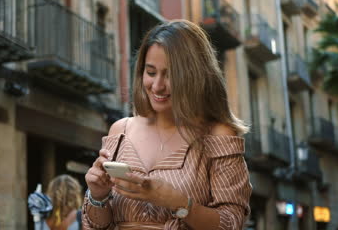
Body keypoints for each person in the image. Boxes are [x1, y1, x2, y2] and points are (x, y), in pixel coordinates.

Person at [82, 20, 252, 230]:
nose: (157, 86)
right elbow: (98, 227)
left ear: (194, 76)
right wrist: (97, 196)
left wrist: (178, 202)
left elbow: (232, 223)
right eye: (151, 72)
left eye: (170, 75)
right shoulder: (120, 131)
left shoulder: (218, 135)